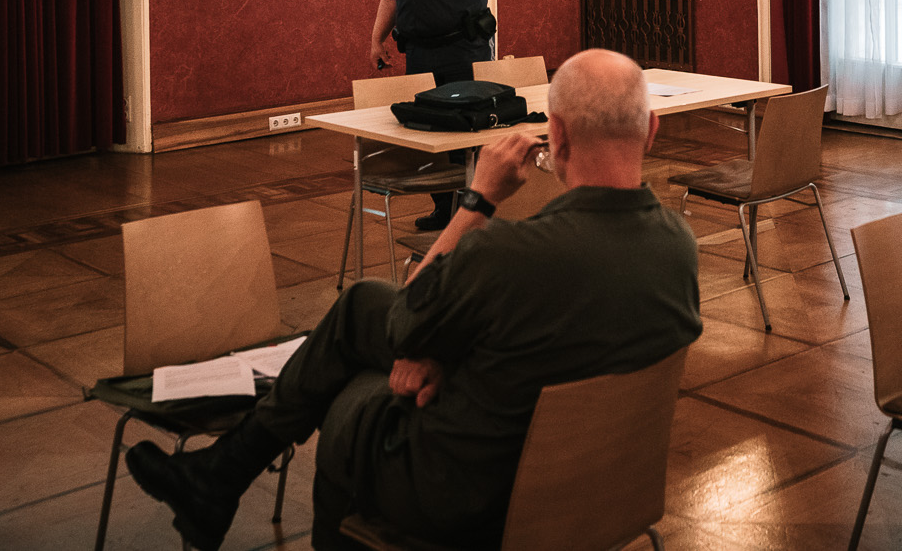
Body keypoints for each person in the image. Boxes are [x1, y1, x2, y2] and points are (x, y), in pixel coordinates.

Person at [125, 49, 701, 551]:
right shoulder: (678, 247)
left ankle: (226, 477)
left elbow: (407, 319)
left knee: (352, 390)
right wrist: (440, 350)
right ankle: (218, 476)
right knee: (364, 303)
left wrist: (478, 200)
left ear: (559, 134)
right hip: (600, 489)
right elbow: (549, 337)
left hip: (468, 501)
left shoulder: (507, 256)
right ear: (651, 130)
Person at [370, 0, 522, 228]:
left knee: (468, 131)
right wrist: (376, 39)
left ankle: (474, 212)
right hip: (419, 52)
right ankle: (445, 209)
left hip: (462, 50)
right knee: (430, 129)